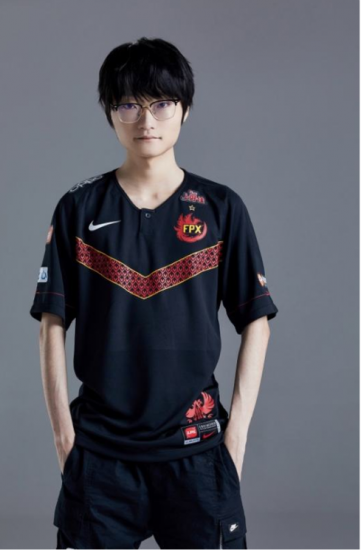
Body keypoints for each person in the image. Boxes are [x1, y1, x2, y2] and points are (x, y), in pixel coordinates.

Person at [29, 37, 278, 549]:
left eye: (161, 103)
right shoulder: (78, 208)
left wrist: (235, 438)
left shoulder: (221, 208)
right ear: (110, 113)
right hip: (100, 458)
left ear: (184, 109)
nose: (146, 120)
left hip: (197, 452)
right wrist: (64, 438)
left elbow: (256, 320)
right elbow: (52, 323)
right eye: (129, 105)